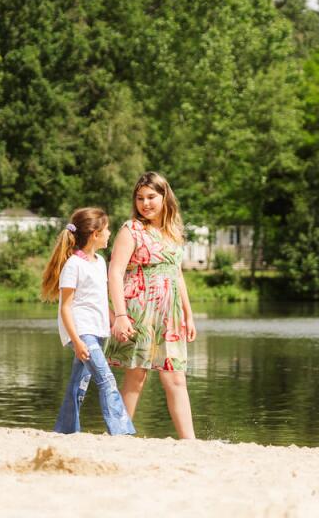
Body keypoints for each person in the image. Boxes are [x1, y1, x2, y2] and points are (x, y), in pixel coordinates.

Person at [105, 171, 197, 439]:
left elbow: (177, 274)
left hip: (170, 314)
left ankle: (190, 442)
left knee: (175, 376)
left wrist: (188, 316)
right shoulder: (131, 229)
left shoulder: (174, 232)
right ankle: (119, 435)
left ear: (164, 196)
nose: (145, 203)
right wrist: (119, 315)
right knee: (136, 376)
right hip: (139, 310)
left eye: (151, 197)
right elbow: (115, 273)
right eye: (140, 198)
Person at [41, 207, 135, 436]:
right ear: (95, 234)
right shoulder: (73, 265)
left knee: (79, 383)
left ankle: (65, 430)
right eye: (107, 229)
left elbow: (99, 298)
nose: (110, 233)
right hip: (81, 332)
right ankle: (122, 431)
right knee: (106, 379)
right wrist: (77, 341)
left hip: (98, 329)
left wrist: (116, 321)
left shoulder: (99, 261)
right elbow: (65, 307)